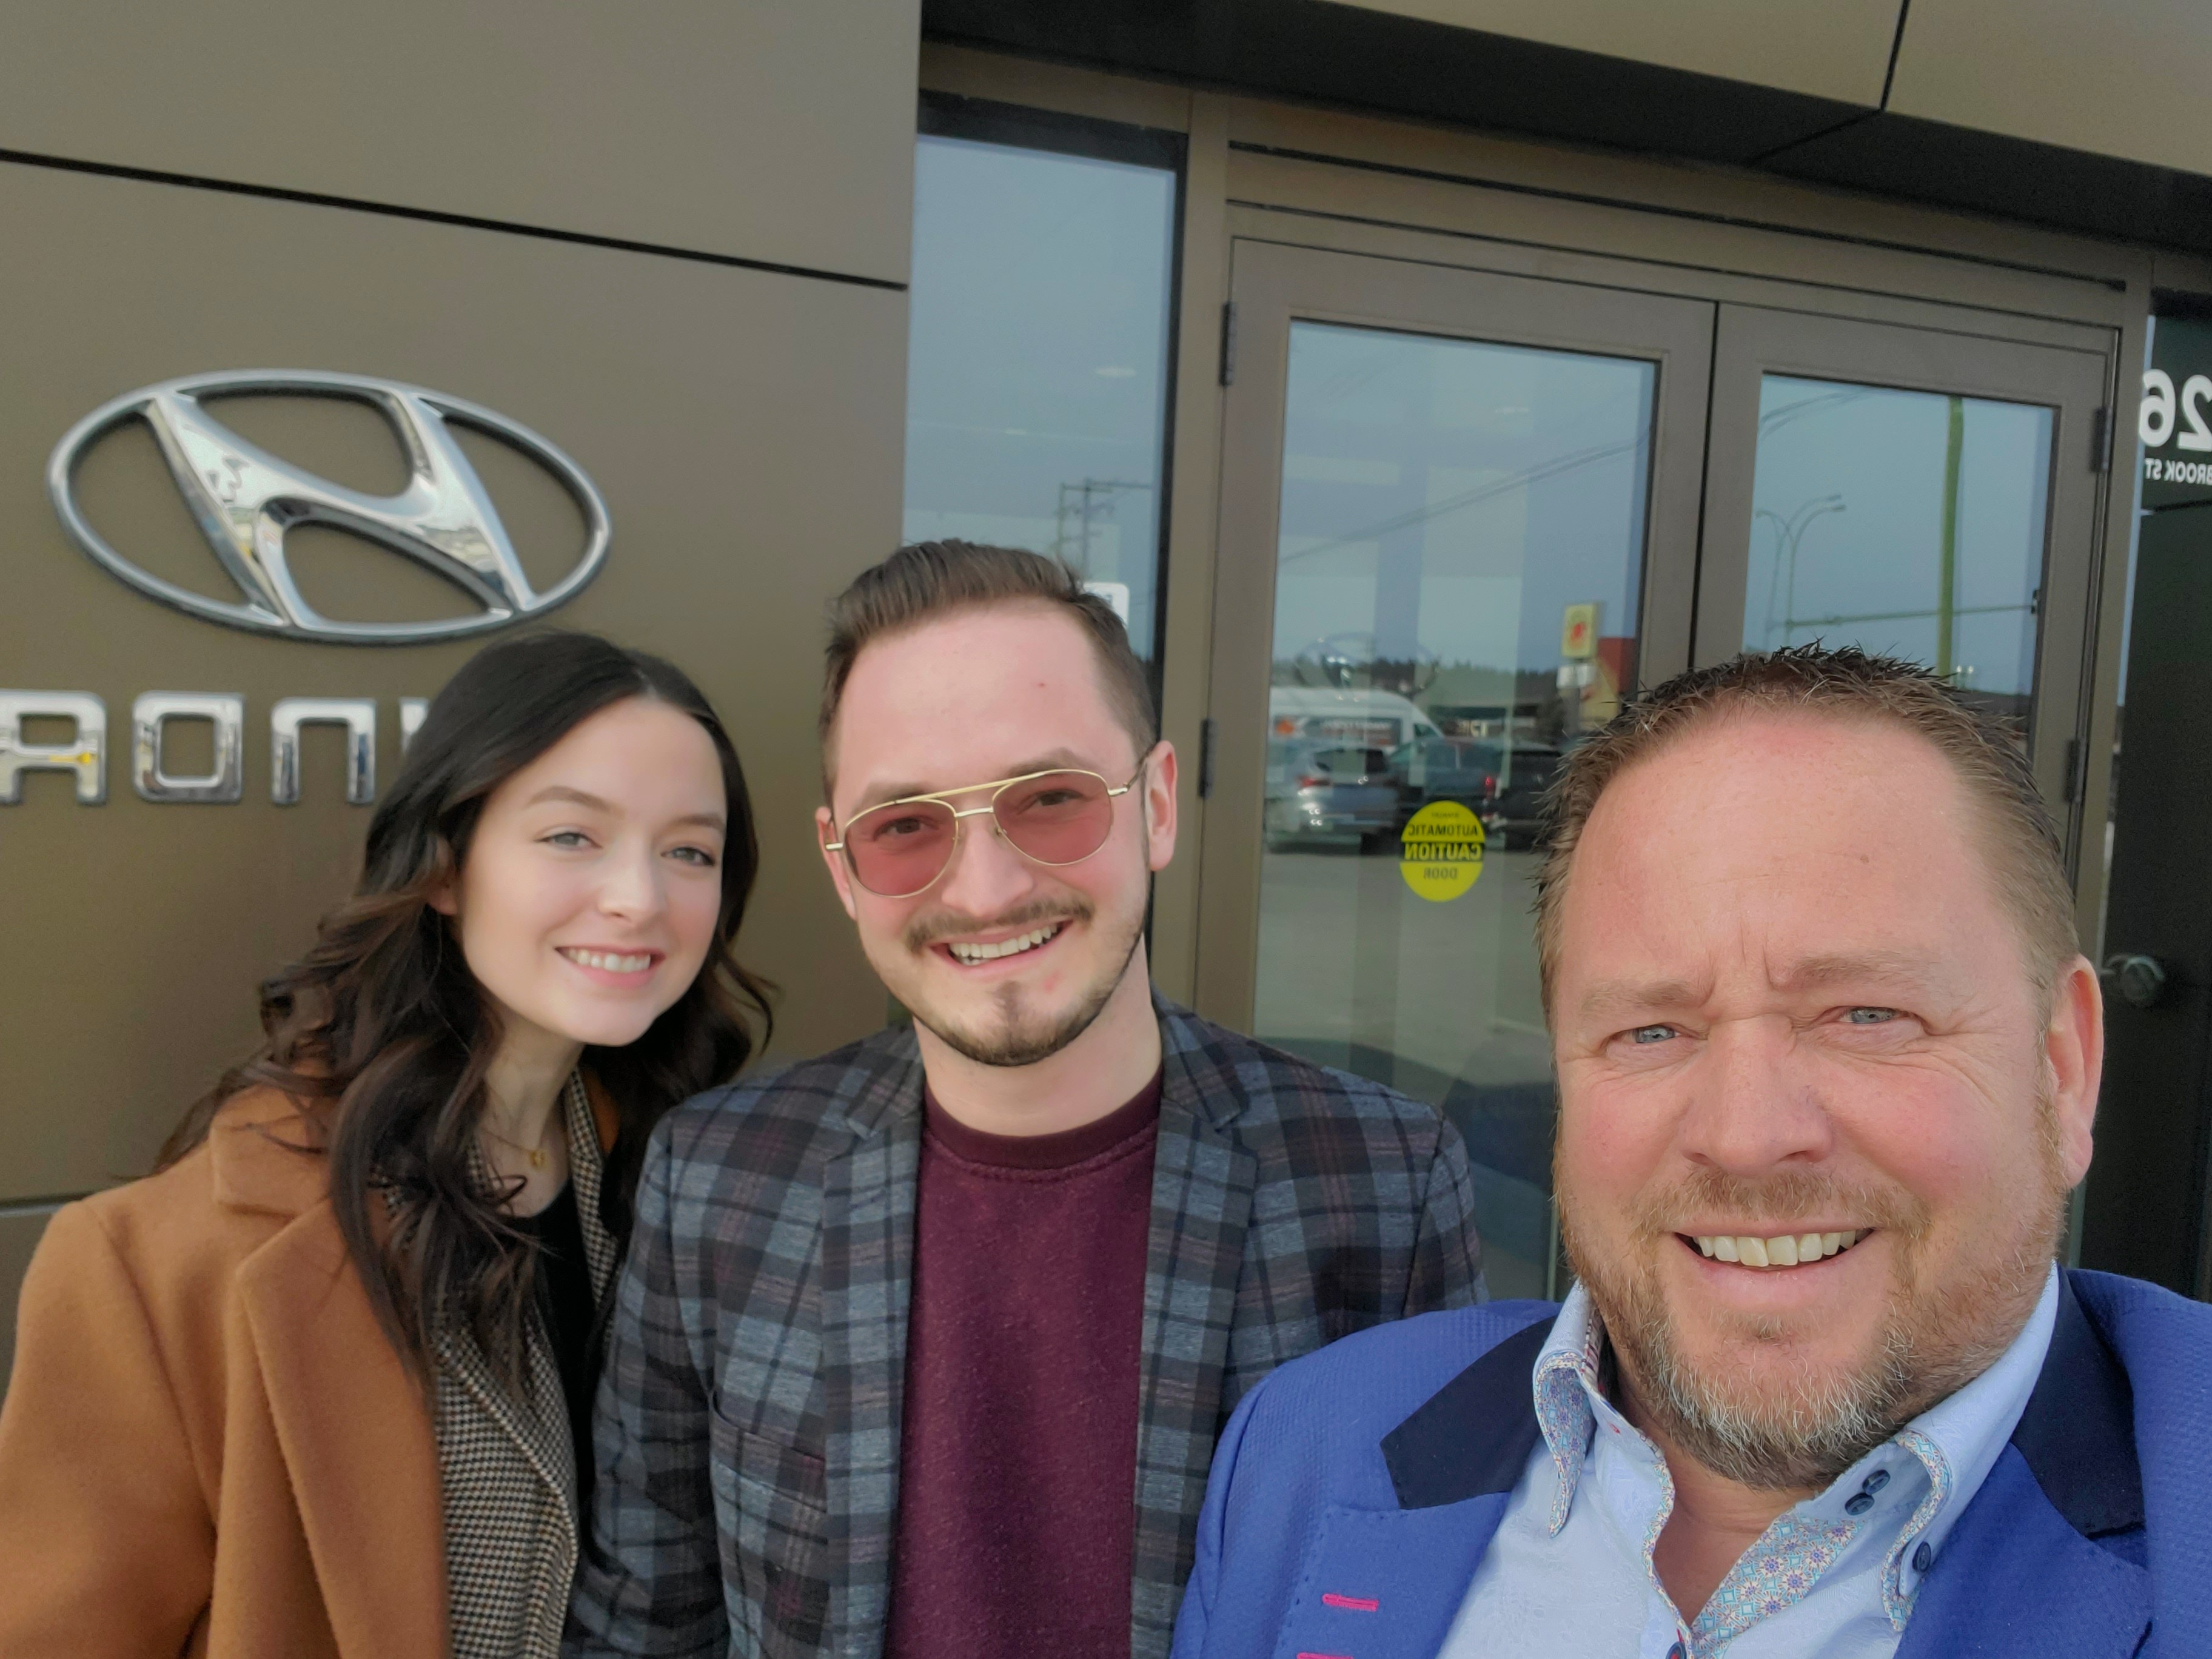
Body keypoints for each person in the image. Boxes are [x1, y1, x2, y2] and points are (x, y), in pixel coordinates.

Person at [1170, 645, 2212, 1659]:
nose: (1747, 1137)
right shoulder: (1313, 1447)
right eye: (1653, 1032)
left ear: (2064, 1064)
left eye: (1866, 1013)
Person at [566, 541, 1487, 1659]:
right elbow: (643, 1629)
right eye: (905, 825)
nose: (987, 888)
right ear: (841, 864)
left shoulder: (1378, 1186)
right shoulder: (717, 1180)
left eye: (1050, 800)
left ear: (1154, 806)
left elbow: (1439, 1607)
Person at [0, 632, 771, 1659]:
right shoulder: (153, 1267)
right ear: (446, 866)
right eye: (571, 837)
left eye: (690, 851)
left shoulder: (691, 1185)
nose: (640, 897)